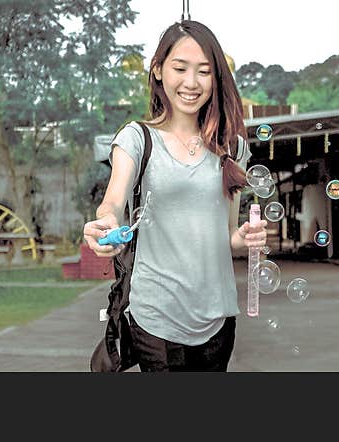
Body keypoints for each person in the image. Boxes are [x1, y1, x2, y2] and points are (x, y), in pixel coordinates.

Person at [83, 20, 268, 372]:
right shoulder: (137, 138)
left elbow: (226, 236)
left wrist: (243, 238)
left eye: (204, 72)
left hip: (218, 317)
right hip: (156, 314)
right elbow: (113, 201)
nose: (191, 83)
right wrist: (105, 221)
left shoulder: (233, 148)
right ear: (158, 70)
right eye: (180, 68)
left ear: (216, 79)